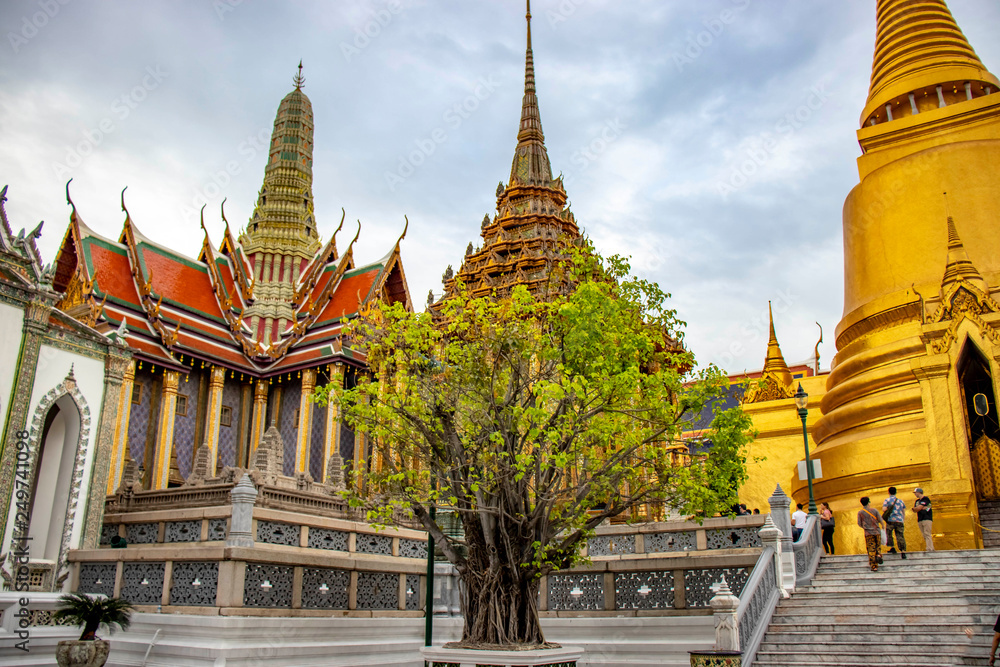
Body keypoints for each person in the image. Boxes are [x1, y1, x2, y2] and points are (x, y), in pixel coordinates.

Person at [857, 496, 885, 571]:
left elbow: (859, 523)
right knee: (878, 546)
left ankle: (873, 565)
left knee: (871, 548)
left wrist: (866, 527)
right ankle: (878, 555)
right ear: (869, 502)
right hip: (877, 531)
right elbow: (880, 519)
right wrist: (882, 526)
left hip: (868, 533)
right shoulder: (874, 510)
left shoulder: (860, 512)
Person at [882, 486, 907, 559]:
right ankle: (903, 551)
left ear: (888, 492)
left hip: (890, 520)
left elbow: (884, 509)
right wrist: (902, 520)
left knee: (889, 534)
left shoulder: (887, 500)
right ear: (896, 492)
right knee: (900, 535)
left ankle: (892, 547)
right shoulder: (900, 501)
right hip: (899, 520)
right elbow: (903, 512)